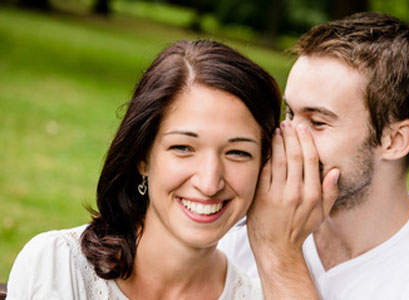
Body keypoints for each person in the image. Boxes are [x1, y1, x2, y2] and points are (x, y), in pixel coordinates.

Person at [218, 12, 409, 299]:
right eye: (290, 113)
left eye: (318, 122)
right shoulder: (236, 225)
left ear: (394, 140)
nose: (287, 138)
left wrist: (278, 254)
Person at [7, 40, 281, 299]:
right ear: (142, 157)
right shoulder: (59, 268)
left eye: (237, 153)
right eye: (183, 148)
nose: (210, 183)